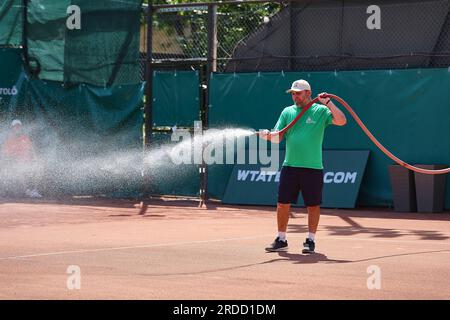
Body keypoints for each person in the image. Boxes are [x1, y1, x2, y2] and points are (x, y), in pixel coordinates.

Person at [260, 80, 346, 253]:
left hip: (313, 167)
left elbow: (341, 120)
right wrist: (267, 136)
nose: (295, 96)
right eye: (293, 93)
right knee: (282, 204)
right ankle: (281, 238)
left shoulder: (321, 111)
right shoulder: (287, 112)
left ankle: (310, 240)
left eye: (298, 93)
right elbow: (278, 137)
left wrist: (328, 102)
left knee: (313, 205)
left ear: (308, 93)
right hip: (290, 166)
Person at [0, 119, 42, 198]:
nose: (17, 128)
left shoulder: (25, 138)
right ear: (12, 128)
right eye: (15, 127)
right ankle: (27, 191)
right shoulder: (8, 141)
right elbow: (5, 156)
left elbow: (32, 150)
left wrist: (36, 159)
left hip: (29, 163)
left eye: (19, 127)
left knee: (39, 168)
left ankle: (35, 191)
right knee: (20, 170)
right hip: (17, 164)